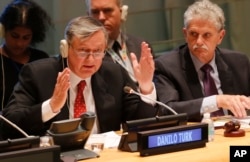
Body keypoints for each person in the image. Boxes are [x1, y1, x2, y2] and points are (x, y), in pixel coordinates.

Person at [1, 16, 156, 139]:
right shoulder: (38, 74)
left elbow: (140, 124)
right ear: (66, 48)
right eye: (83, 51)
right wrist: (52, 106)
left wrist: (146, 87)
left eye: (97, 51)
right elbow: (9, 123)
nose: (90, 59)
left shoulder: (113, 73)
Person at [154, 0, 250, 122]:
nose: (199, 41)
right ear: (185, 34)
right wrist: (217, 101)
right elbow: (168, 110)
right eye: (193, 34)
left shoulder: (239, 62)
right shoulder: (167, 66)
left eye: (206, 35)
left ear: (220, 37)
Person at [0, 0, 53, 111]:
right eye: (14, 36)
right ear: (3, 31)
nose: (19, 43)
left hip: (36, 124)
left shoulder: (41, 59)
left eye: (26, 37)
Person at [85, 0, 154, 83]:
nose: (101, 17)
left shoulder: (140, 45)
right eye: (95, 12)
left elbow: (158, 84)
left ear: (121, 13)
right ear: (88, 16)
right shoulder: (85, 57)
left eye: (107, 10)